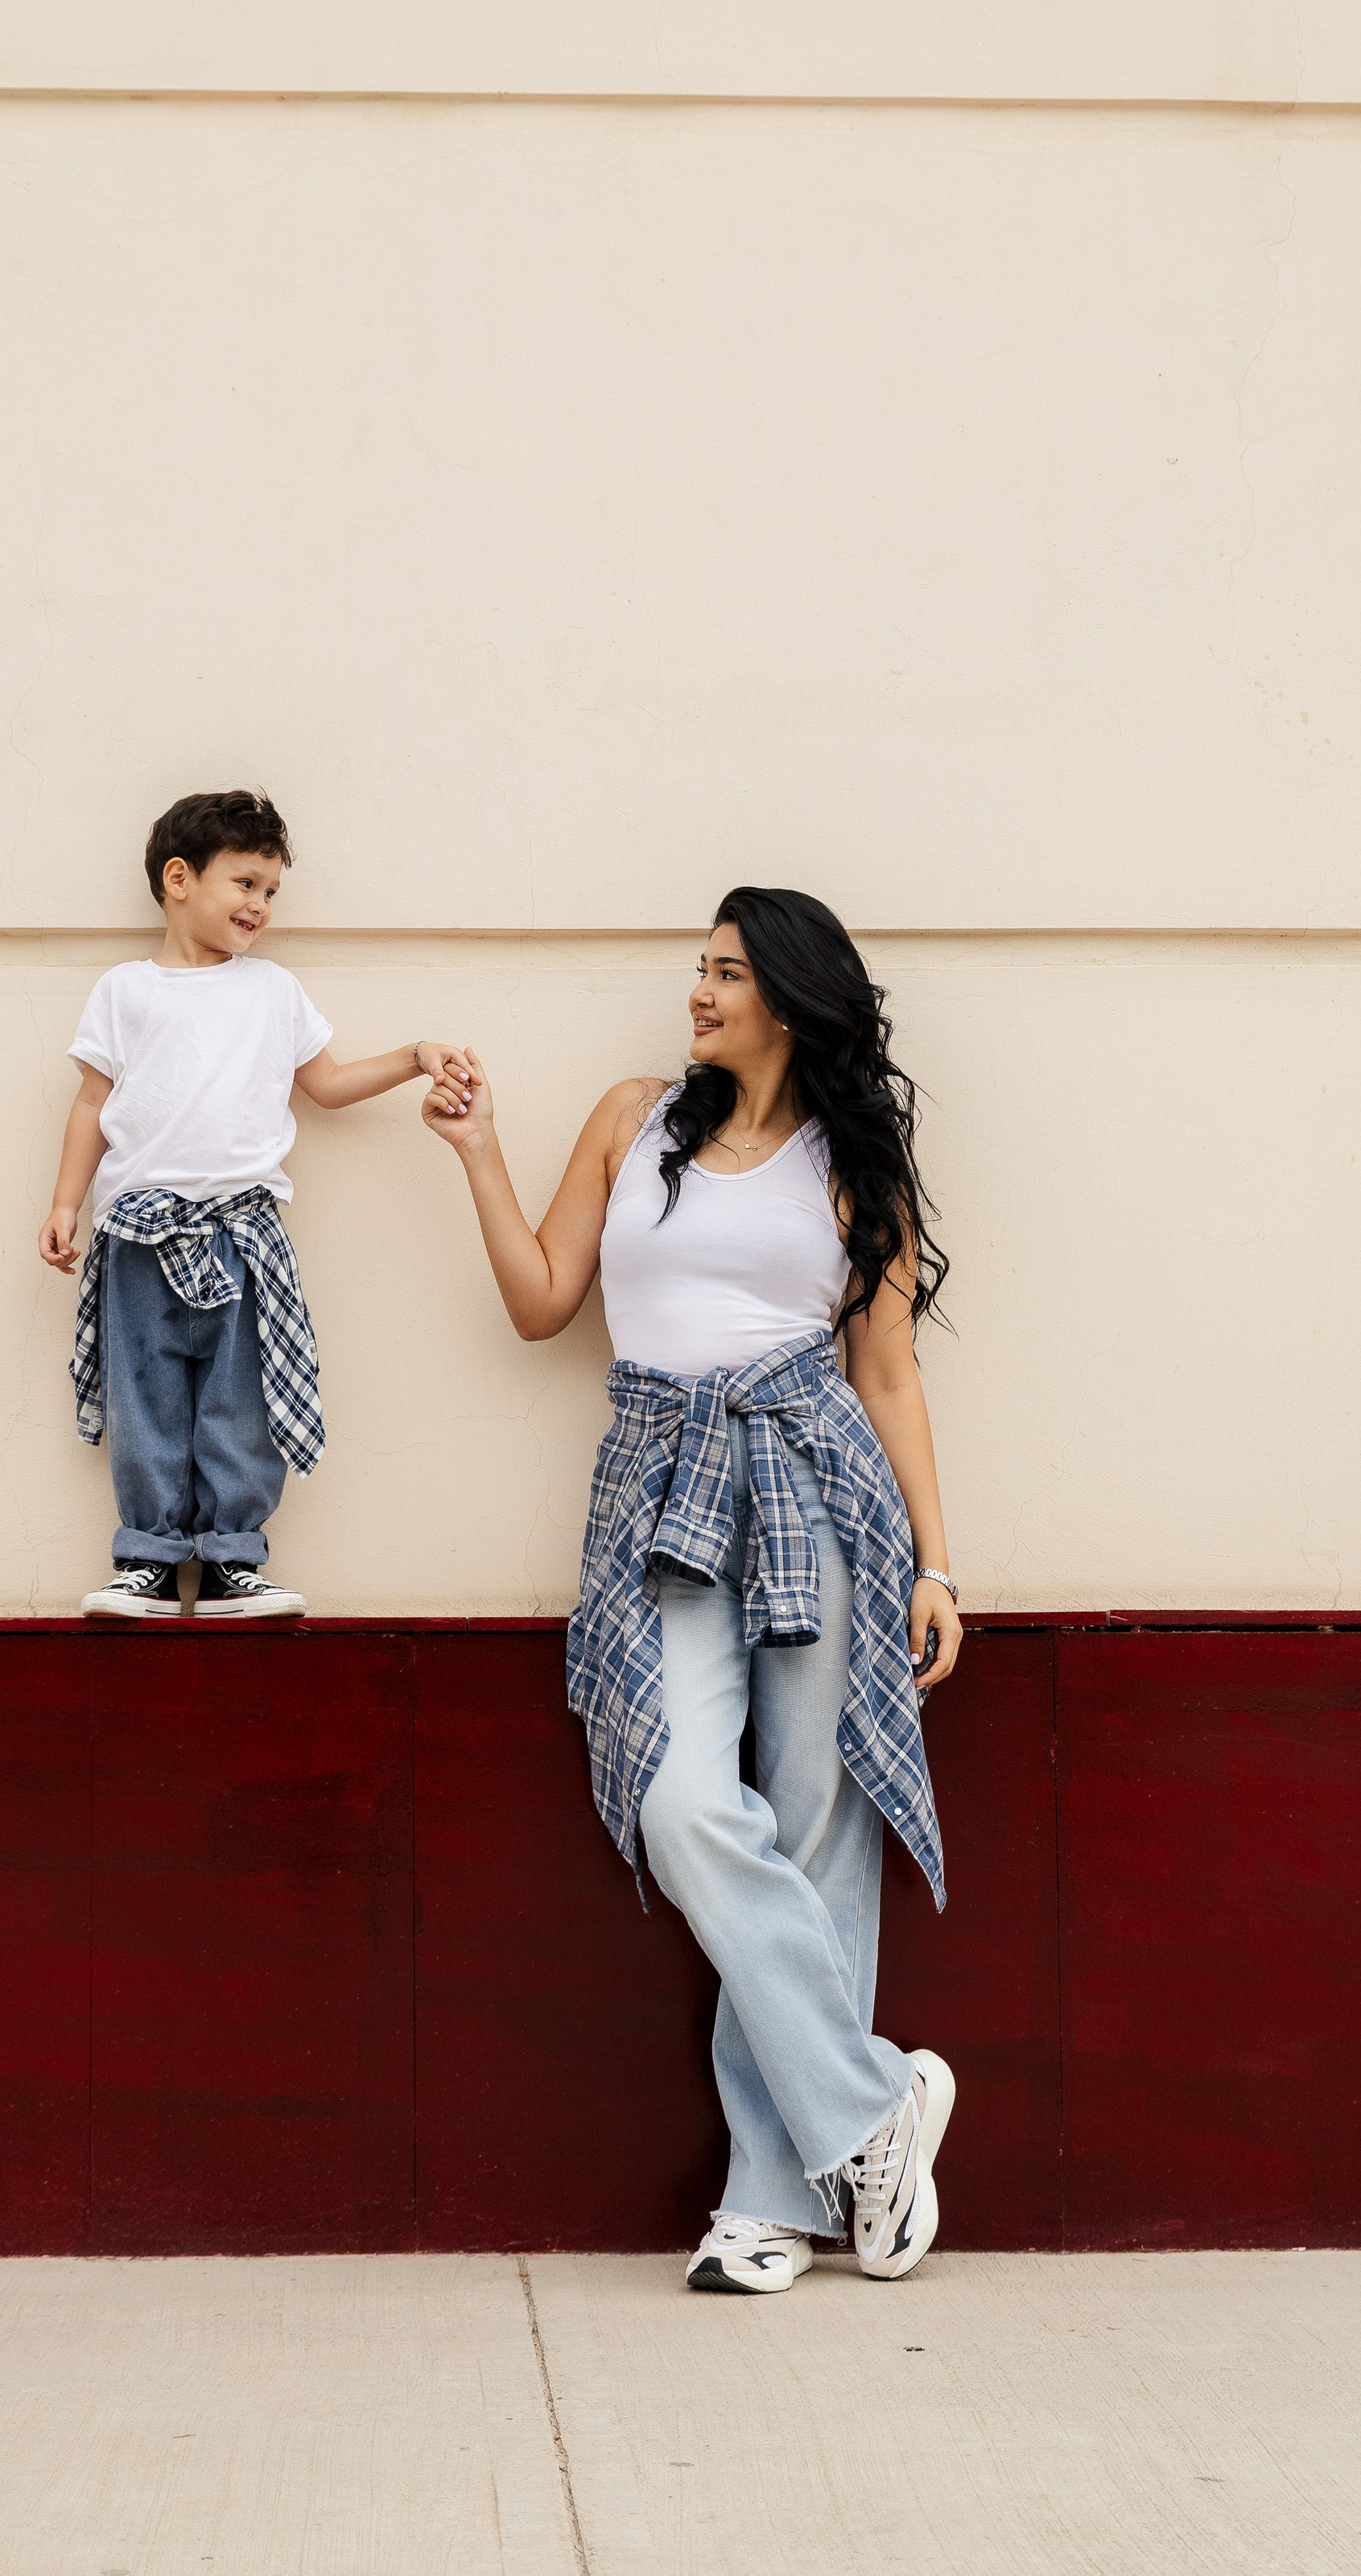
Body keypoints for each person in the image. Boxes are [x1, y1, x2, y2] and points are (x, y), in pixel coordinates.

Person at [422, 886, 963, 2289]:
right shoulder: (634, 1119)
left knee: (817, 1825)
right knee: (683, 1803)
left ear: (787, 995)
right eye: (700, 968)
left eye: (725, 973)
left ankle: (769, 2203)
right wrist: (479, 1151)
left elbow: (887, 1372)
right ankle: (874, 2105)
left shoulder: (851, 1164)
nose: (698, 993)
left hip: (815, 1481)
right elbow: (543, 1300)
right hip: (661, 1488)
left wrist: (936, 1561)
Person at [41, 788, 469, 1623]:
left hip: (243, 1235)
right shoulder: (124, 991)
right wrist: (65, 1203)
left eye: (271, 890)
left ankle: (232, 1558)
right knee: (144, 1398)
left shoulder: (273, 991)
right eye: (245, 883)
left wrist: (415, 1054)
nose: (261, 905)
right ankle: (149, 1557)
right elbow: (92, 1102)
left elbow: (328, 1084)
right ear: (179, 879)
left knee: (240, 1398)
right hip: (138, 1234)